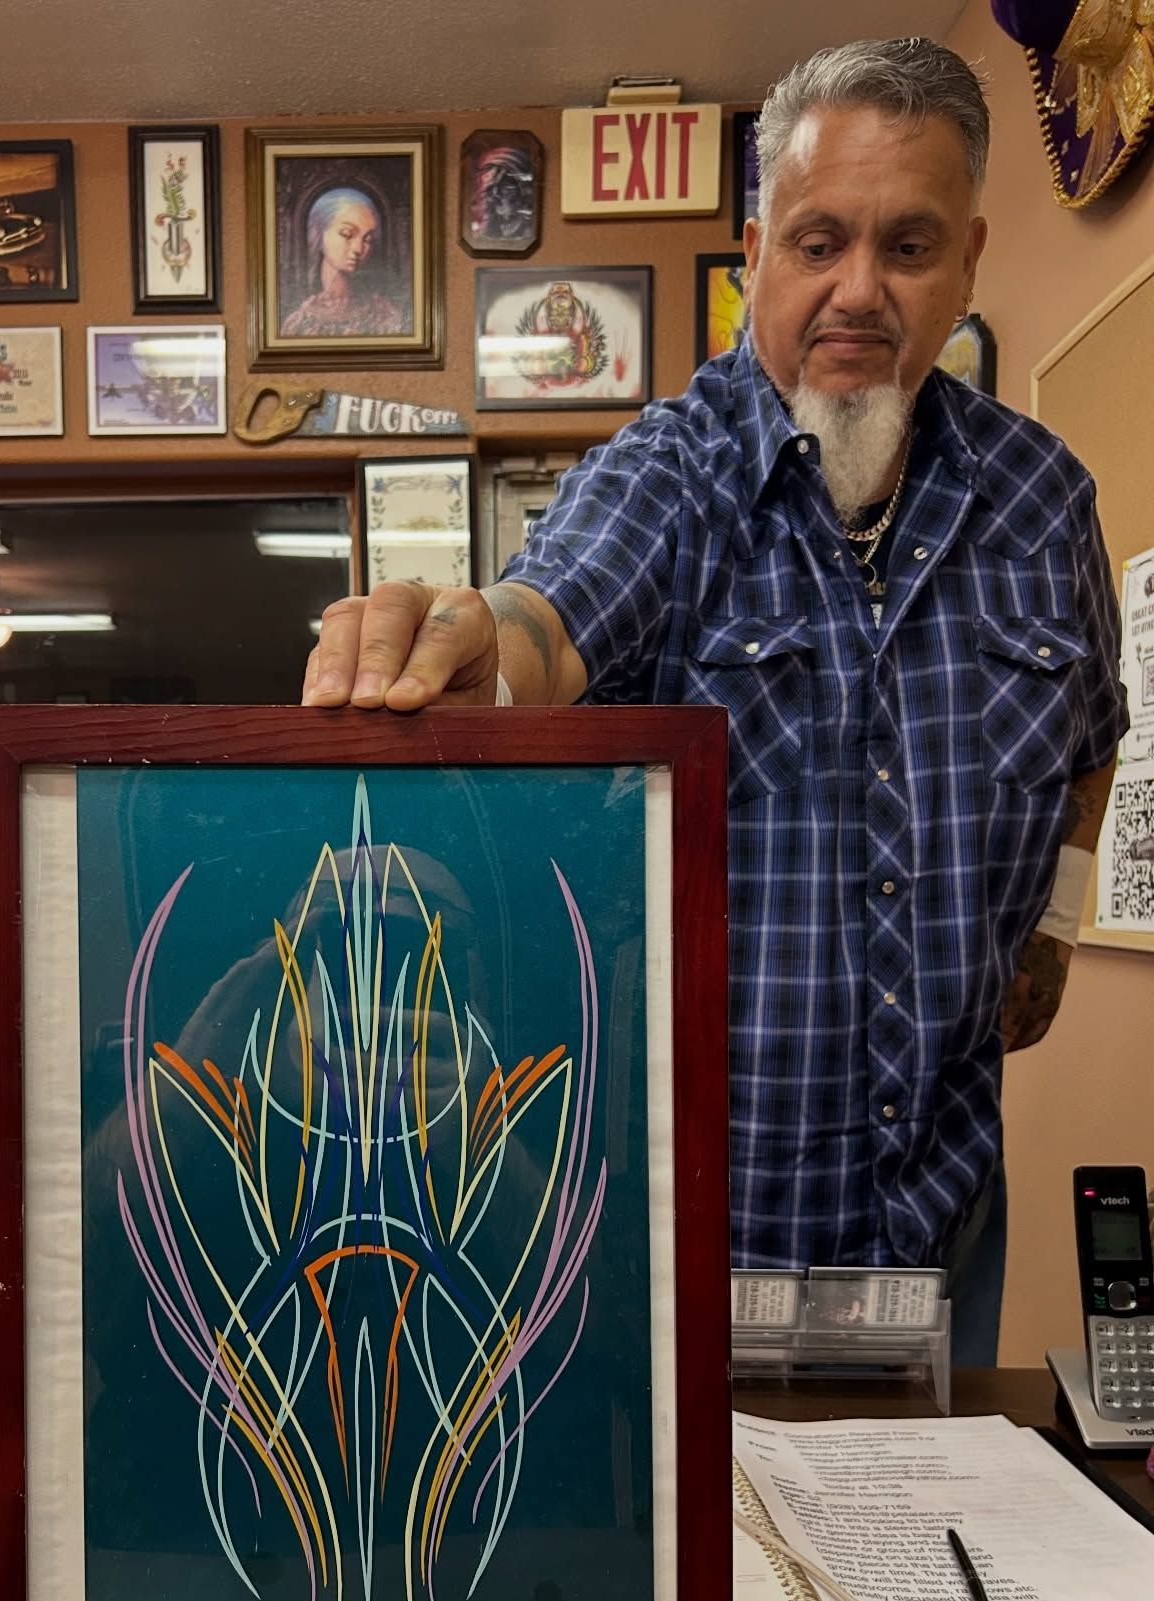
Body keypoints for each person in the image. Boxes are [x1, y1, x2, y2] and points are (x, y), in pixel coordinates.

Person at [302, 37, 1128, 1365]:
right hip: (688, 1256)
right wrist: (475, 646)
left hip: (942, 1239)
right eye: (819, 242)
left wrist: (1053, 927)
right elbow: (544, 626)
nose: (857, 291)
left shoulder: (1045, 503)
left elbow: (1097, 731)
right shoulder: (672, 474)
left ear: (970, 260)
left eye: (908, 248)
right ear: (758, 252)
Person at [282, 187, 407, 337]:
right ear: (319, 233)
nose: (358, 248)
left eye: (368, 239)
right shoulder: (298, 322)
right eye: (347, 234)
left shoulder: (385, 315)